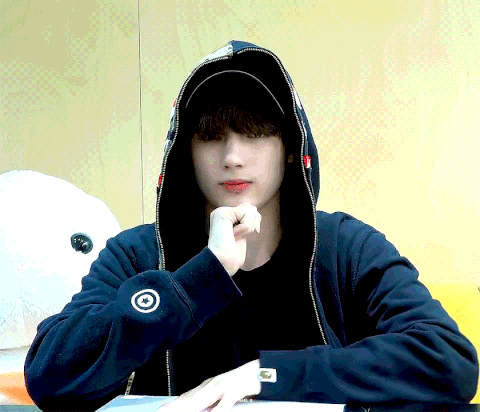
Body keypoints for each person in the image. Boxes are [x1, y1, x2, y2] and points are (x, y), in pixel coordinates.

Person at [24, 40, 478, 411]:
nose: (232, 157)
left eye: (255, 133)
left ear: (289, 149)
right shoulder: (139, 253)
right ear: (186, 153)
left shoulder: (346, 249)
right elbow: (50, 376)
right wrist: (201, 279)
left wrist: (264, 376)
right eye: (210, 137)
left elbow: (448, 360)